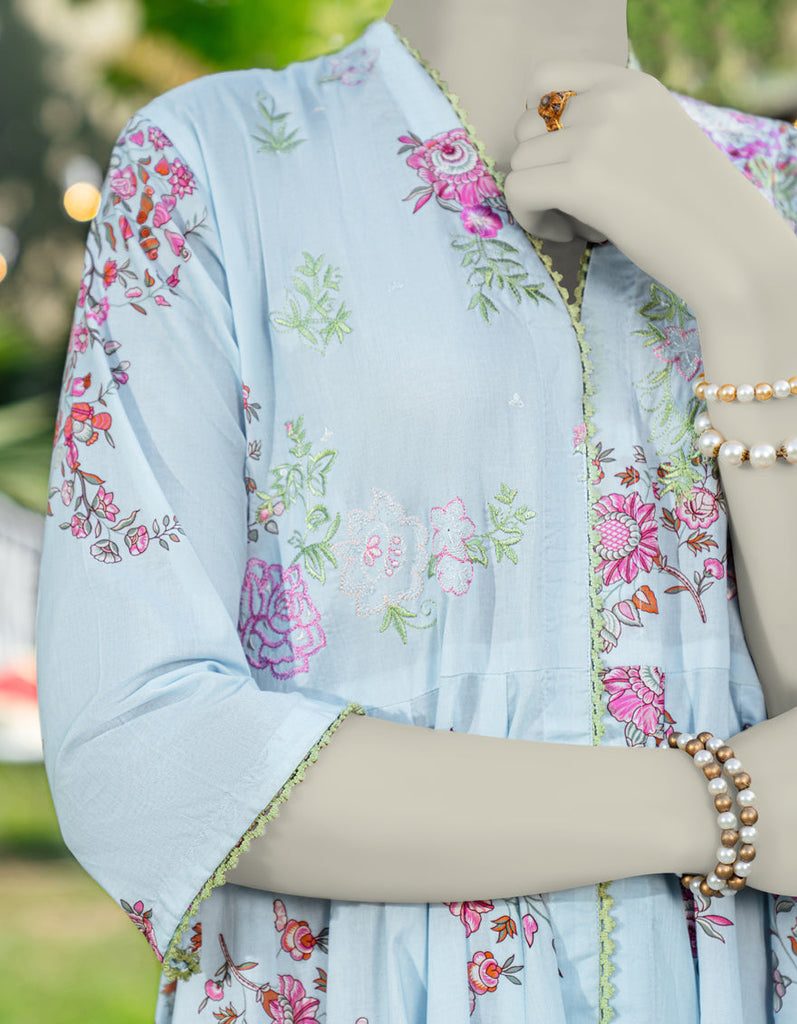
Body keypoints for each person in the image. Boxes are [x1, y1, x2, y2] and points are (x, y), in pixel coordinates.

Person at [35, 0, 797, 1019]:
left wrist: (758, 296)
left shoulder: (776, 189)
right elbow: (138, 751)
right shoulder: (213, 164)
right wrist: (713, 809)